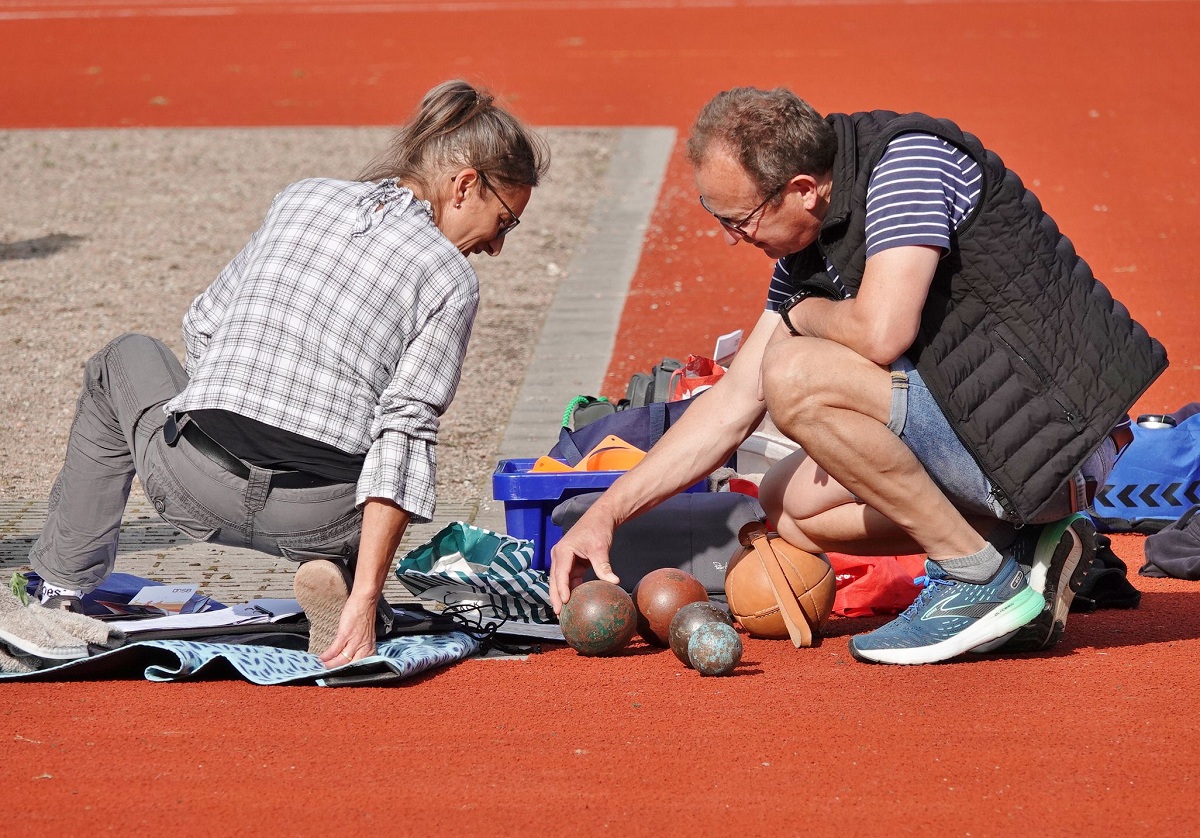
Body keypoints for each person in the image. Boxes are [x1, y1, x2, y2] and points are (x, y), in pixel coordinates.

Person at [549, 87, 1166, 665]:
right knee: (788, 504)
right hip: (995, 441)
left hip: (1059, 439)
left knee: (795, 373)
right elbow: (735, 400)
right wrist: (607, 512)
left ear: (803, 189)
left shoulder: (908, 164)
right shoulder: (808, 244)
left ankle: (974, 575)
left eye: (740, 220)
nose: (735, 239)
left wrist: (807, 315)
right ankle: (1015, 551)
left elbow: (880, 331)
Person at [29, 80, 549, 668]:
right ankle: (348, 592)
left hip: (193, 485)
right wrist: (371, 596)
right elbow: (404, 437)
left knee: (123, 358)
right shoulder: (450, 278)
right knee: (376, 468)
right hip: (318, 517)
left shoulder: (302, 198)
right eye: (505, 221)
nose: (498, 246)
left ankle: (59, 590)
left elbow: (203, 324)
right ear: (463, 185)